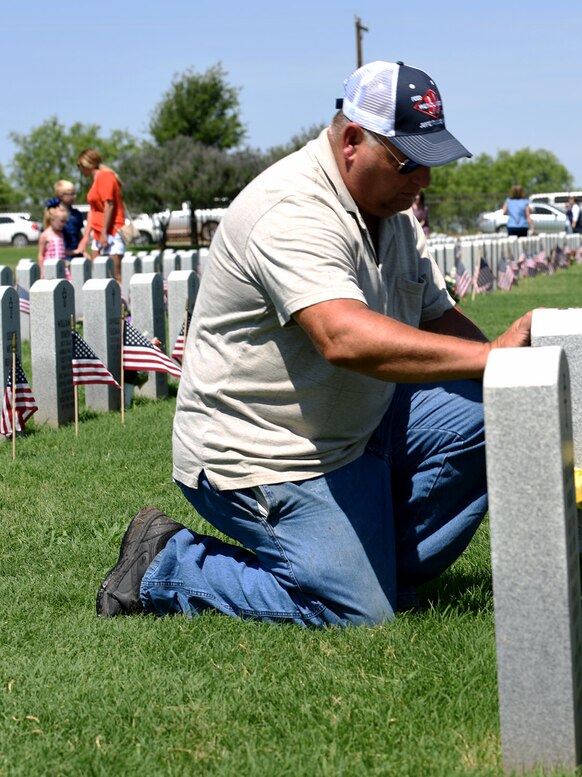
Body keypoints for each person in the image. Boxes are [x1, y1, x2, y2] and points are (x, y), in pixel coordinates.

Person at [95, 60, 535, 629]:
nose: (423, 180)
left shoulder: (392, 212)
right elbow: (341, 335)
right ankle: (165, 564)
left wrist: (510, 370)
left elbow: (438, 314)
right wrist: (491, 357)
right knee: (359, 615)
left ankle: (376, 568)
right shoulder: (293, 208)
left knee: (493, 411)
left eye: (432, 163)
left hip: (359, 422)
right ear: (352, 140)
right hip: (268, 449)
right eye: (410, 162)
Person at [77, 148, 126, 284]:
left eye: (79, 165)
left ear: (87, 164)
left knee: (114, 276)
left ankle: (121, 305)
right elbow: (93, 211)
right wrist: (85, 238)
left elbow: (108, 205)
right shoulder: (96, 180)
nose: (79, 169)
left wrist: (105, 233)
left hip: (112, 231)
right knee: (98, 276)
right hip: (98, 233)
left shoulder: (105, 177)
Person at [53, 179, 87, 257]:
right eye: (71, 194)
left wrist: (83, 250)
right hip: (60, 253)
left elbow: (79, 234)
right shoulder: (53, 213)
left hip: (76, 252)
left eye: (74, 193)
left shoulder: (76, 214)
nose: (74, 196)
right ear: (61, 195)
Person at [38, 201, 69, 272]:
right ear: (52, 220)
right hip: (50, 268)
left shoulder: (61, 234)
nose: (64, 224)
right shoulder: (45, 235)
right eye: (61, 221)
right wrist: (42, 270)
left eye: (65, 221)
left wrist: (74, 252)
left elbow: (62, 251)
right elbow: (40, 255)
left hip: (61, 269)